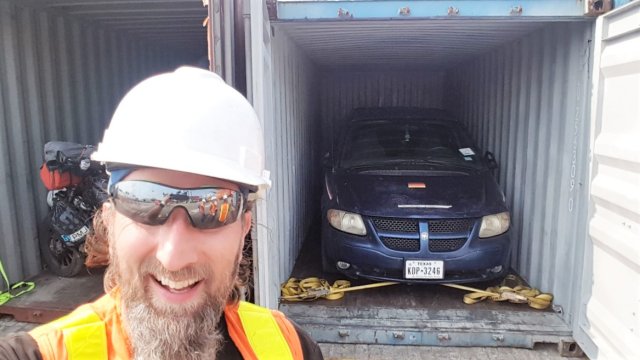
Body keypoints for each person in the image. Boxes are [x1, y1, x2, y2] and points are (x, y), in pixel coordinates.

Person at [0, 67, 323, 360]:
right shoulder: (47, 353)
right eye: (144, 201)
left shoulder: (291, 348)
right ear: (110, 221)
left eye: (212, 209)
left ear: (243, 230)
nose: (173, 257)